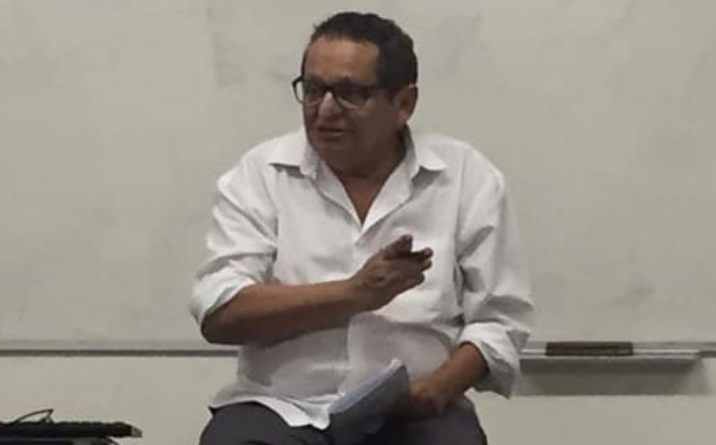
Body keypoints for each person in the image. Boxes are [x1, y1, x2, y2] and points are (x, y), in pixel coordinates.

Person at [190, 11, 533, 445]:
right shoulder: (260, 174)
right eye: (313, 90)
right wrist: (354, 293)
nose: (324, 110)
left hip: (416, 410)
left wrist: (439, 388)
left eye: (350, 94)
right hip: (281, 407)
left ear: (404, 103)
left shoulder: (465, 177)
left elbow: (500, 320)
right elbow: (221, 315)